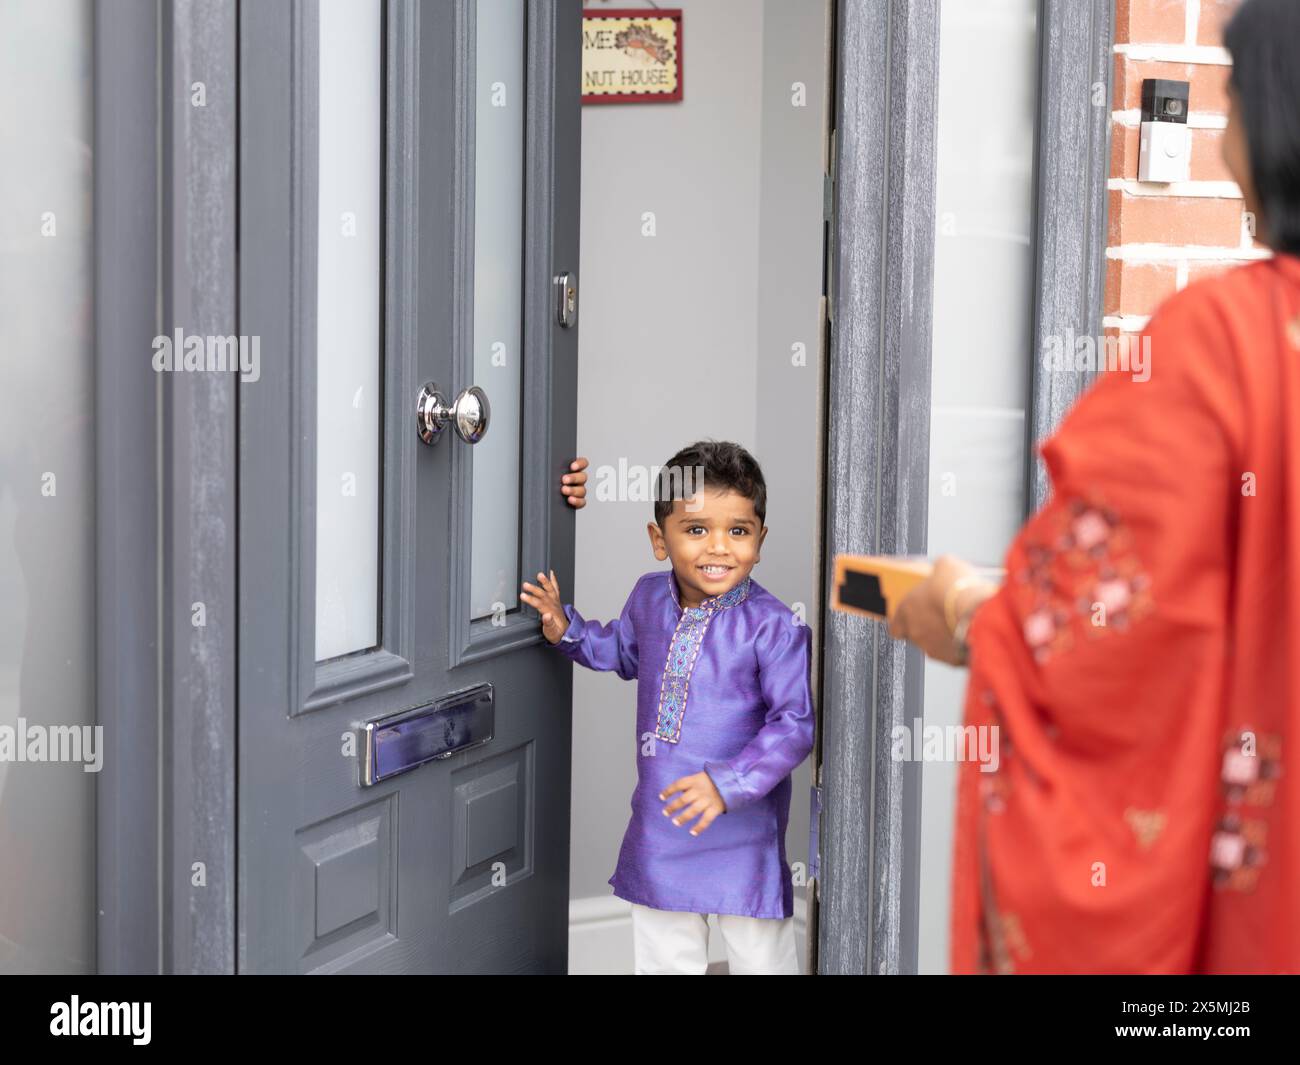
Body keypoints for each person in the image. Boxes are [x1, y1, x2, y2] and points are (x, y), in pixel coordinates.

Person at [887, 0, 1300, 974]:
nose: (1220, 134)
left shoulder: (1225, 345)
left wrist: (965, 611)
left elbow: (1090, 634)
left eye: (1230, 99)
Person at [523, 440, 814, 974]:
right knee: (663, 953)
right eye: (697, 530)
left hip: (743, 832)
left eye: (739, 531)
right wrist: (567, 630)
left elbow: (793, 726)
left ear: (760, 540)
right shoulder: (649, 598)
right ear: (660, 539)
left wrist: (726, 784)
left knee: (760, 957)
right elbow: (620, 651)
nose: (719, 548)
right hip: (662, 822)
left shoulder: (775, 625)